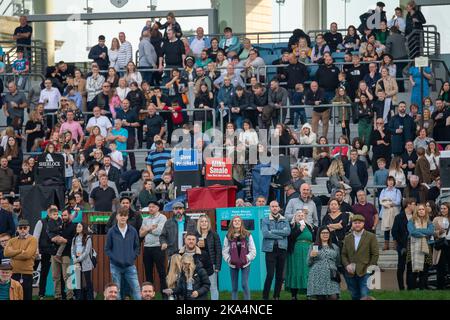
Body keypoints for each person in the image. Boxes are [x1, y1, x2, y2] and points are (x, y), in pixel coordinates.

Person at [105, 207, 141, 300]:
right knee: (117, 291)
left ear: (127, 217)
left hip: (130, 266)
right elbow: (107, 249)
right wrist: (116, 259)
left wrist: (132, 257)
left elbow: (137, 247)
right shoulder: (111, 231)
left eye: (125, 215)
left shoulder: (132, 230)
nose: (123, 217)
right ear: (117, 216)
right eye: (121, 215)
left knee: (136, 289)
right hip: (115, 266)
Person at [341, 215, 379, 300]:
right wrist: (347, 265)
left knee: (364, 295)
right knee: (354, 295)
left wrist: (370, 268)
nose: (357, 225)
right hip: (351, 272)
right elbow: (343, 254)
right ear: (352, 224)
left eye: (359, 223)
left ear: (363, 224)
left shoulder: (371, 236)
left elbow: (375, 254)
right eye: (355, 223)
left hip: (365, 271)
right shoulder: (347, 238)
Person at [222, 215, 256, 300]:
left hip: (245, 264)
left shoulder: (247, 234)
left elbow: (253, 250)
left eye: (238, 221)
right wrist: (229, 260)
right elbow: (225, 250)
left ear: (241, 223)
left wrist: (247, 258)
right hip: (233, 264)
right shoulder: (228, 235)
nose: (237, 222)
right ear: (232, 223)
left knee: (244, 284)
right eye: (235, 221)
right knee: (234, 287)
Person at [261, 201, 290, 300]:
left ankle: (276, 296)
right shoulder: (265, 220)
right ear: (269, 208)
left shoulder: (285, 219)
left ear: (279, 208)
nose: (274, 208)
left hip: (282, 249)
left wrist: (272, 231)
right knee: (270, 275)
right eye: (272, 206)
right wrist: (280, 235)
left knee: (280, 276)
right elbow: (265, 234)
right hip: (270, 250)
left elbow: (287, 232)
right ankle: (265, 297)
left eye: (276, 206)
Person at [3, 219, 37, 300]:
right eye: (20, 228)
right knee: (14, 296)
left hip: (27, 273)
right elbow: (6, 253)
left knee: (26, 296)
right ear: (17, 229)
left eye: (25, 228)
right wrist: (20, 251)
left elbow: (27, 255)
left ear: (28, 228)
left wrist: (13, 254)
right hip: (13, 273)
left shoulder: (33, 239)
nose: (22, 230)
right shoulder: (12, 240)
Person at [139, 201, 167, 296]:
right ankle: (149, 296)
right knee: (148, 273)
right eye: (149, 207)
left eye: (153, 207)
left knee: (162, 272)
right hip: (147, 248)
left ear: (158, 208)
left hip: (158, 247)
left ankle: (164, 296)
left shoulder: (162, 217)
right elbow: (141, 233)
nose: (150, 208)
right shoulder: (145, 218)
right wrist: (150, 228)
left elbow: (159, 231)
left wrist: (146, 229)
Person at [286, 209, 314, 299]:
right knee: (296, 270)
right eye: (298, 215)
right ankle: (294, 295)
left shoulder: (309, 226)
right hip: (296, 252)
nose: (301, 217)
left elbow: (313, 238)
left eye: (302, 215)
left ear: (305, 217)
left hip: (308, 250)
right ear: (295, 217)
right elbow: (290, 238)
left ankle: (308, 294)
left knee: (307, 271)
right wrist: (300, 230)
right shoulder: (292, 225)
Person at [307, 226, 340, 300]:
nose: (325, 234)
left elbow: (338, 261)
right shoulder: (313, 246)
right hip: (317, 275)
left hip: (332, 275)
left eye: (327, 233)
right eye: (323, 233)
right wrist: (311, 256)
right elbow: (308, 263)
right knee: (320, 297)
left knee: (333, 297)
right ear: (319, 234)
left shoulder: (334, 247)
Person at [406, 203, 434, 290]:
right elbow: (412, 232)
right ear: (416, 211)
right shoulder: (411, 221)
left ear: (425, 211)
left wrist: (418, 230)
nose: (421, 211)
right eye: (419, 209)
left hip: (426, 247)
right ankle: (411, 289)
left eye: (423, 209)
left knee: (425, 270)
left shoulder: (429, 221)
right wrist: (424, 233)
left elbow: (431, 231)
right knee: (412, 269)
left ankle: (422, 288)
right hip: (413, 248)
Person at [196, 215, 222, 300]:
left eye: (206, 221)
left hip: (211, 265)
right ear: (199, 223)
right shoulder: (195, 235)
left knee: (213, 287)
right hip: (199, 265)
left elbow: (218, 251)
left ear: (208, 223)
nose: (204, 223)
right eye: (202, 221)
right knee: (199, 287)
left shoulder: (214, 235)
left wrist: (217, 266)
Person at [392, 198, 416, 290]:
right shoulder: (398, 217)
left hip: (413, 245)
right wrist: (402, 244)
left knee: (410, 267)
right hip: (402, 246)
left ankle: (410, 287)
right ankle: (401, 288)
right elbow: (394, 232)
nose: (415, 206)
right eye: (414, 204)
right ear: (408, 205)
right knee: (401, 267)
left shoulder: (416, 216)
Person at [71, 222, 94, 300]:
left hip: (85, 261)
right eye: (77, 226)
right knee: (78, 281)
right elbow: (72, 250)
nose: (77, 228)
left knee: (87, 281)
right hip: (77, 261)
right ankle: (79, 297)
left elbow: (87, 252)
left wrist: (78, 259)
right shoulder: (74, 238)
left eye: (79, 226)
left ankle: (90, 297)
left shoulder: (88, 238)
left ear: (83, 228)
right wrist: (74, 258)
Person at [379, 176, 402, 250]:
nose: (390, 182)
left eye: (392, 180)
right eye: (389, 181)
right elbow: (381, 200)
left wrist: (388, 202)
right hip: (386, 211)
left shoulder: (397, 191)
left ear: (394, 182)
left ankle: (395, 243)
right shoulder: (383, 191)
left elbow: (398, 201)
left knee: (394, 227)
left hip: (394, 211)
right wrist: (389, 202)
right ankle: (386, 244)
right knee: (386, 228)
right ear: (387, 182)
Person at [432, 203, 450, 289]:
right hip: (442, 243)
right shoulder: (436, 219)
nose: (442, 210)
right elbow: (432, 233)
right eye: (441, 208)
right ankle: (440, 286)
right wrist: (439, 232)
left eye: (445, 208)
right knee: (440, 266)